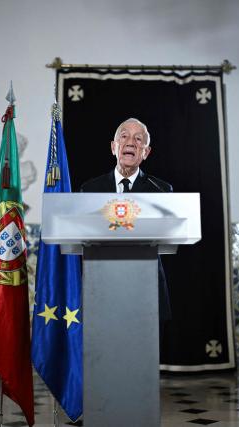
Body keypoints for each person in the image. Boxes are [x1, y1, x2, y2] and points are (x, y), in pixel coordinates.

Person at [80, 118, 172, 322]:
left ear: (146, 152)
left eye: (138, 139)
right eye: (124, 136)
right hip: (102, 286)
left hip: (146, 287)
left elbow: (166, 235)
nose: (131, 142)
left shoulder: (161, 190)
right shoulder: (90, 190)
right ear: (114, 147)